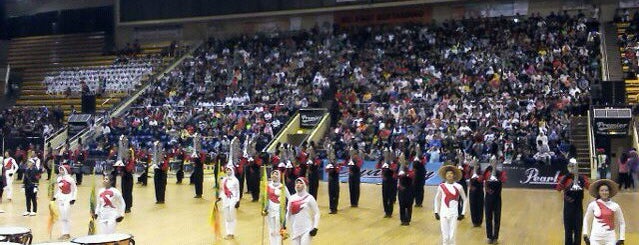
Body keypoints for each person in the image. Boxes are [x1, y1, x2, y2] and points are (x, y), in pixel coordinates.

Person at [582, 179, 625, 245]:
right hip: (595, 238)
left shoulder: (615, 206)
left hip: (610, 237)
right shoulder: (593, 205)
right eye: (602, 190)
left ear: (609, 192)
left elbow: (622, 222)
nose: (604, 192)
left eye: (606, 190)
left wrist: (622, 238)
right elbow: (586, 219)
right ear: (598, 192)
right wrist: (585, 234)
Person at [557, 158, 589, 245]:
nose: (572, 168)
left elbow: (588, 187)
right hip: (567, 208)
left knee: (578, 232)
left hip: (578, 208)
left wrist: (581, 179)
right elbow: (558, 189)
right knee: (568, 232)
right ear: (568, 167)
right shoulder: (563, 177)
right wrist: (564, 179)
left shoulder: (583, 178)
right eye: (570, 166)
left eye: (574, 166)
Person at [434, 165, 468, 245]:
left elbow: (465, 199)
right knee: (445, 237)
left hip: (454, 214)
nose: (449, 175)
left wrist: (463, 213)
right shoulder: (441, 186)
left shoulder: (459, 187)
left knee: (452, 236)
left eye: (451, 173)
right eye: (447, 174)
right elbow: (437, 199)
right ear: (445, 176)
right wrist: (436, 211)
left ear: (454, 175)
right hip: (443, 213)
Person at [286, 177, 320, 245]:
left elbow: (317, 213)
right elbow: (288, 213)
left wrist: (315, 227)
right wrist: (284, 225)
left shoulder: (310, 198)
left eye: (301, 183)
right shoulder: (292, 198)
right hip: (294, 229)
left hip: (306, 229)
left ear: (305, 185)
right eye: (297, 183)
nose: (298, 184)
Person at [483, 157, 506, 244]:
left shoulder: (500, 173)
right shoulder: (486, 172)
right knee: (488, 218)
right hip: (488, 198)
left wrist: (497, 175)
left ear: (497, 163)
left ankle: (495, 237)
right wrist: (487, 189)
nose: (494, 163)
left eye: (495, 162)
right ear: (489, 162)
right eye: (492, 161)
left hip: (497, 199)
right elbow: (483, 181)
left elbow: (504, 180)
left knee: (497, 218)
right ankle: (489, 237)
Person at [263, 170, 289, 245]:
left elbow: (290, 198)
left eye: (276, 174)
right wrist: (264, 208)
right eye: (273, 174)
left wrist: (287, 209)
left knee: (278, 229)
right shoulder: (268, 186)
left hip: (279, 210)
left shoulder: (282, 186)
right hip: (270, 210)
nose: (274, 175)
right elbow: (266, 198)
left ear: (279, 176)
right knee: (271, 230)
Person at [54, 164, 77, 240]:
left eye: (62, 169)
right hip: (61, 199)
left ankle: (67, 233)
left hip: (68, 198)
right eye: (60, 169)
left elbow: (75, 189)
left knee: (66, 216)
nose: (60, 171)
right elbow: (59, 190)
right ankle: (64, 233)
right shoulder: (59, 179)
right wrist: (55, 197)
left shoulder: (70, 179)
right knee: (62, 217)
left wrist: (73, 198)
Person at [221, 166, 240, 240]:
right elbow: (222, 190)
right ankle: (228, 232)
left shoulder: (235, 180)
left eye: (230, 170)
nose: (228, 171)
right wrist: (220, 197)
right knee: (226, 217)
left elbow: (238, 191)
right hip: (225, 199)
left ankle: (232, 233)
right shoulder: (224, 180)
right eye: (227, 170)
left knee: (232, 216)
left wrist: (237, 200)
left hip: (232, 199)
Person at [468, 159, 484, 227]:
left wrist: (476, 176)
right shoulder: (470, 171)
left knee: (480, 206)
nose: (476, 166)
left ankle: (479, 221)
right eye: (474, 165)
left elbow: (480, 180)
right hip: (472, 191)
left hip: (480, 191)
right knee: (473, 206)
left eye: (477, 165)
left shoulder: (481, 173)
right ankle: (474, 221)